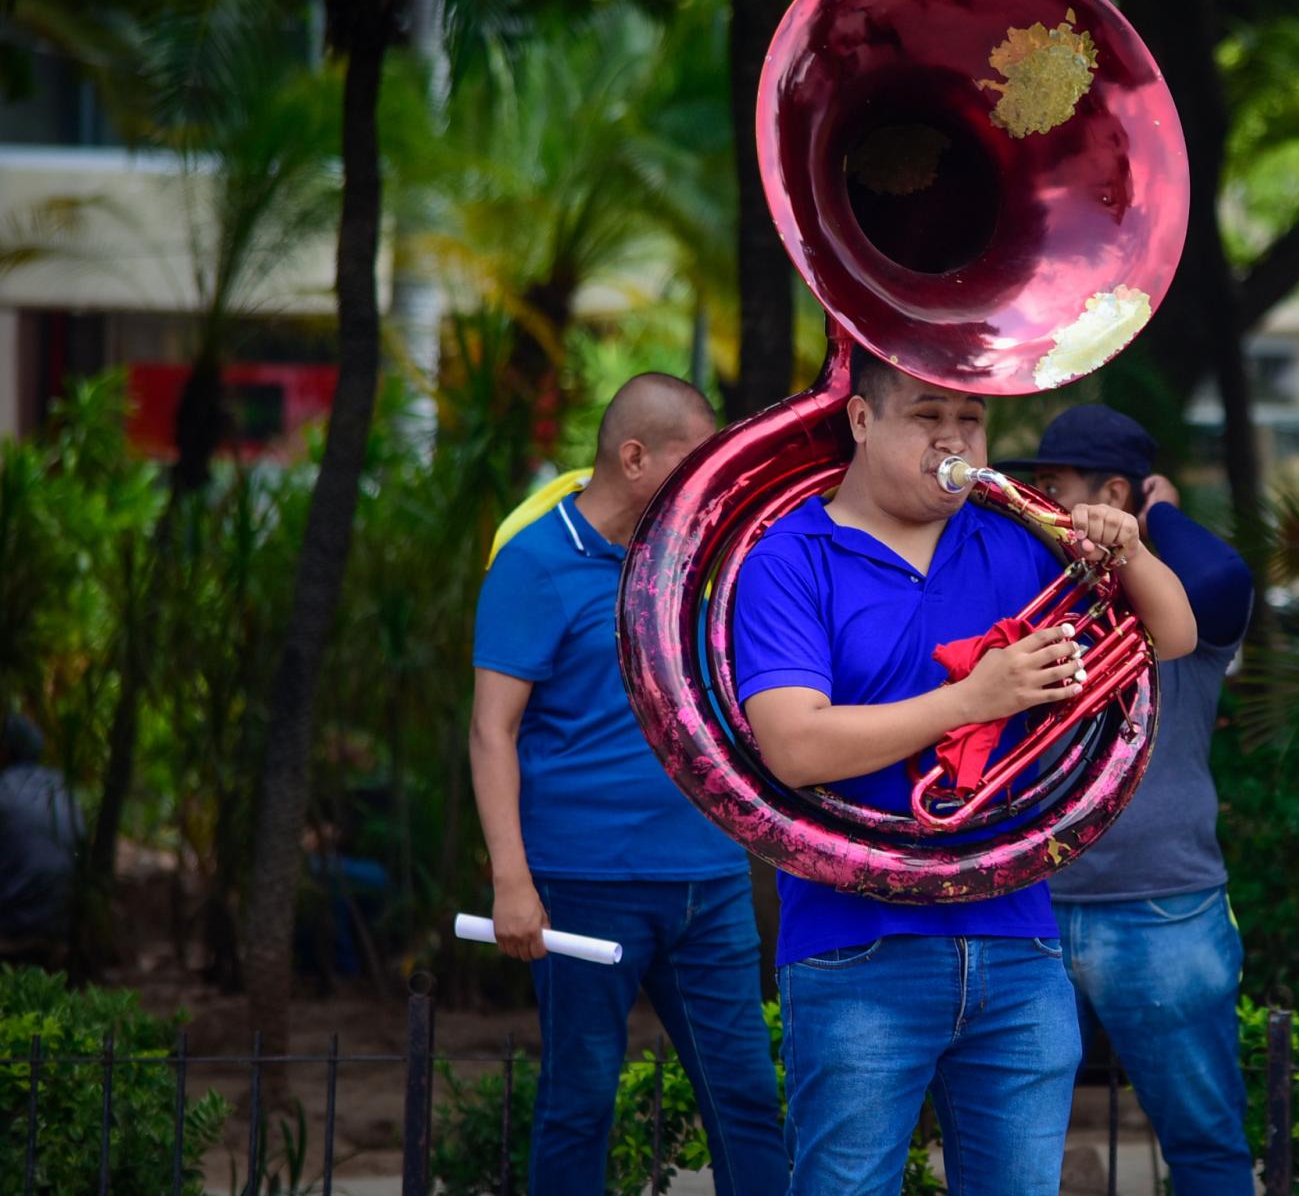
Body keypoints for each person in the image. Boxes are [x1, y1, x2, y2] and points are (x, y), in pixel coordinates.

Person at [731, 351, 1197, 1196]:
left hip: (1017, 938)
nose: (953, 438)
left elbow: (1172, 633)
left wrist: (1127, 550)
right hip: (855, 944)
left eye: (970, 419)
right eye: (926, 415)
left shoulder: (1018, 535)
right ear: (863, 420)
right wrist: (970, 699)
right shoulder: (790, 556)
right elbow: (794, 746)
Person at [471, 373, 786, 1196]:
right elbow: (490, 729)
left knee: (747, 1097)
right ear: (635, 456)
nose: (709, 482)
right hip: (583, 884)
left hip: (709, 882)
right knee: (578, 1104)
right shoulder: (535, 563)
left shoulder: (695, 560)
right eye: (694, 462)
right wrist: (512, 880)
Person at [999, 404, 1257, 1196]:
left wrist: (1158, 511)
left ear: (1115, 490)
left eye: (1057, 483)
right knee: (1006, 1144)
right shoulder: (1033, 581)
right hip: (1030, 903)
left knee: (1204, 1142)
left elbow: (1223, 577)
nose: (1040, 496)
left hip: (1161, 910)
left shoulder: (1189, 590)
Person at [0, 711, 82, 947]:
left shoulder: (4, 789)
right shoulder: (61, 787)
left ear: (5, 749)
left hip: (12, 924)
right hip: (60, 922)